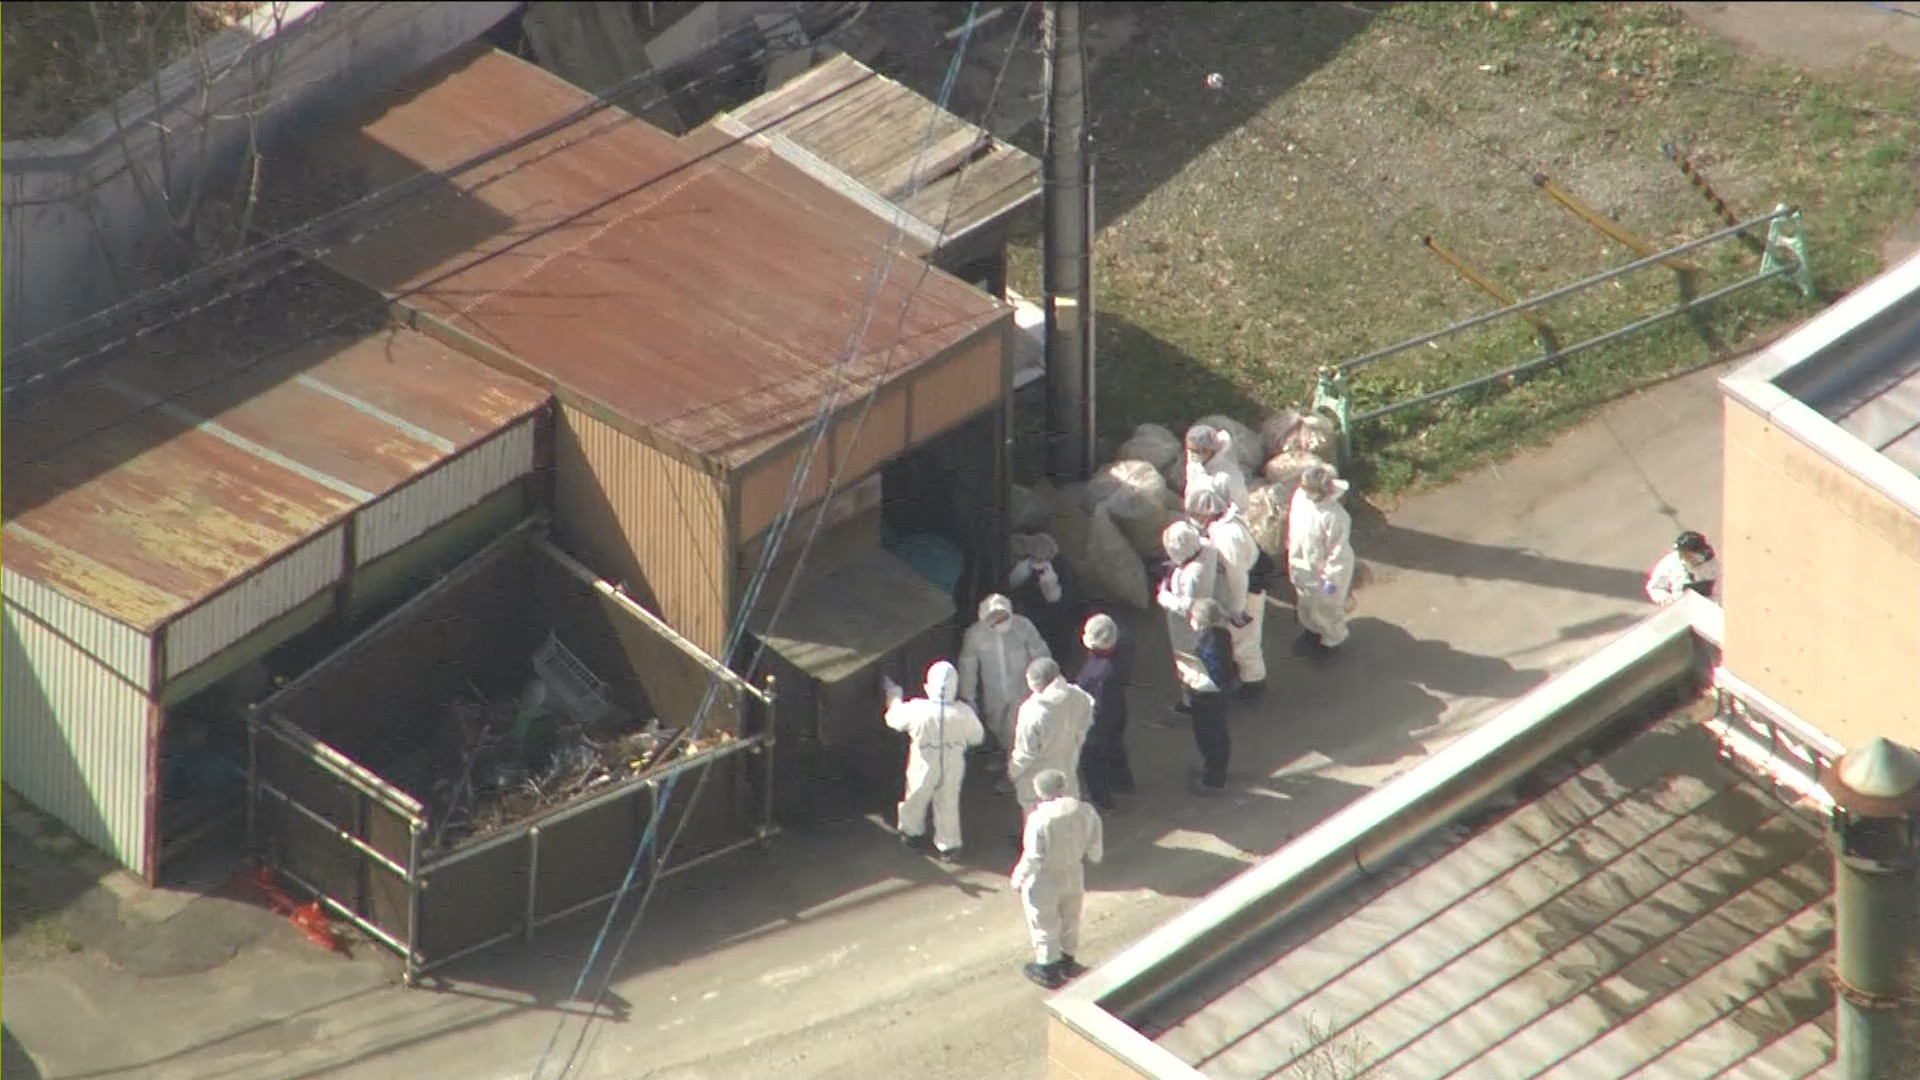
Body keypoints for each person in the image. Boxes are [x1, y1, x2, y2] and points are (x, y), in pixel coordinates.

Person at [1010, 768, 1104, 989]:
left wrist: (1018, 878)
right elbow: (1095, 846)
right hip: (1074, 872)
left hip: (1045, 877)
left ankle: (1048, 967)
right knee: (1070, 916)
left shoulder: (1039, 819)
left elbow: (1033, 856)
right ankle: (1067, 957)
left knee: (1043, 921)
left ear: (1040, 791)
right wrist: (1093, 856)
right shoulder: (1085, 811)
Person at [884, 660, 985, 861]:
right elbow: (977, 737)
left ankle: (912, 834)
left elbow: (893, 719)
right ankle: (948, 845)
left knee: (916, 797)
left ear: (927, 686)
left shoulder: (916, 709)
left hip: (924, 762)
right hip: (953, 762)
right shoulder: (963, 712)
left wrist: (894, 695)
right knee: (948, 801)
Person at [1185, 487, 1268, 699]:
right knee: (1239, 637)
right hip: (1243, 583)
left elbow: (1237, 576)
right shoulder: (1224, 525)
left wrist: (1237, 610)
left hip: (1247, 589)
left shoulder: (1227, 537)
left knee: (1245, 639)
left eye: (1195, 514)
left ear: (1207, 512)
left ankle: (1253, 683)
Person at [958, 593, 1051, 770]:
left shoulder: (1023, 627)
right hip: (994, 692)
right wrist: (968, 696)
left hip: (1022, 689)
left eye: (1002, 616)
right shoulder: (975, 635)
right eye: (993, 618)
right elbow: (968, 666)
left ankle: (1016, 769)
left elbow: (1040, 653)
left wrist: (1045, 683)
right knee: (997, 726)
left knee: (1018, 729)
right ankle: (1005, 755)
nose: (998, 621)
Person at [1009, 658, 1095, 817]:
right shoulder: (1077, 695)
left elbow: (1025, 753)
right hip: (1067, 762)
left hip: (1038, 773)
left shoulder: (1032, 712)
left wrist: (1014, 771)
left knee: (1037, 814)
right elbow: (1086, 720)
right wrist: (1076, 745)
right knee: (1069, 806)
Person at [1287, 462, 1356, 658]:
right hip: (1300, 564)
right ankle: (1311, 631)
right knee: (1306, 603)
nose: (1305, 491)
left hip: (1326, 572)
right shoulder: (1300, 498)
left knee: (1327, 608)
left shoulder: (1335, 516)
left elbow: (1338, 553)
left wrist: (1331, 581)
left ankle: (1331, 642)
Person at [1157, 520, 1220, 717]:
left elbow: (1185, 606)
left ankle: (1191, 702)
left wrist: (1164, 596)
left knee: (1188, 659)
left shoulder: (1192, 576)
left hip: (1186, 625)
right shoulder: (1206, 550)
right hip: (1204, 613)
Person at [1074, 613, 1135, 812]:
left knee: (1092, 757)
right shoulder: (1123, 648)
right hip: (1117, 709)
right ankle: (1122, 782)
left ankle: (1100, 799)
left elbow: (1098, 704)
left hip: (1098, 718)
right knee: (1115, 745)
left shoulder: (1102, 671)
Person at [1179, 599, 1237, 796]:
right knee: (1217, 734)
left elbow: (1213, 672)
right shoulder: (1222, 635)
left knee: (1209, 735)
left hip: (1208, 697)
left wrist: (1192, 677)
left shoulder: (1210, 641)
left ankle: (1214, 779)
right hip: (1216, 696)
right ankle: (1214, 768)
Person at [1009, 533, 1084, 664]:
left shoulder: (1058, 571)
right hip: (1040, 622)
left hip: (1052, 625)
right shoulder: (1025, 571)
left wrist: (1054, 593)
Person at [1183, 423, 1251, 514]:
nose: (1191, 454)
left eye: (1196, 451)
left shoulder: (1228, 476)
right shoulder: (1195, 462)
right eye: (1189, 449)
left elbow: (1242, 505)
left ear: (1209, 450)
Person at [1646, 530, 1720, 605]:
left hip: (1709, 607)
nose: (1684, 557)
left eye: (1689, 554)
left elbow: (1723, 586)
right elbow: (1655, 587)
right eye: (1682, 553)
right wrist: (1666, 598)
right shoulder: (1671, 562)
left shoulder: (1712, 563)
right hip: (1681, 607)